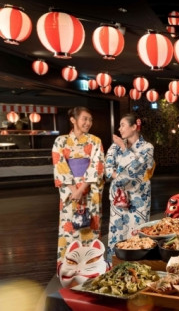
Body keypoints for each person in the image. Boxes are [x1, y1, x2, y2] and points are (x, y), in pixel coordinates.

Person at [52, 107, 105, 263]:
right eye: (84, 119)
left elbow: (97, 165)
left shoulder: (95, 141)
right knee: (70, 227)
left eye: (90, 120)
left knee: (91, 227)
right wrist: (74, 190)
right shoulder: (60, 141)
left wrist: (82, 188)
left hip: (90, 189)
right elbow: (59, 164)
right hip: (70, 190)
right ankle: (69, 265)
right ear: (73, 120)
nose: (88, 123)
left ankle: (92, 264)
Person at [104, 114, 155, 261]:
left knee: (136, 233)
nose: (119, 129)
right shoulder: (114, 147)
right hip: (118, 196)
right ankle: (114, 267)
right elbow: (107, 168)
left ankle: (138, 269)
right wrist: (119, 177)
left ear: (134, 127)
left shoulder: (147, 147)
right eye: (119, 125)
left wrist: (123, 148)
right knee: (116, 234)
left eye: (123, 125)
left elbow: (137, 170)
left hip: (139, 196)